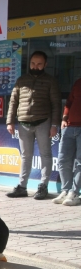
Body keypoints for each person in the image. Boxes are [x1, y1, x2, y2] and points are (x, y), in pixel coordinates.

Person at [6, 51, 61, 200]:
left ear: (45, 65)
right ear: (29, 63)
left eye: (39, 64)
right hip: (23, 123)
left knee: (45, 154)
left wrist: (55, 124)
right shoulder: (21, 80)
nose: (35, 67)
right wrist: (10, 121)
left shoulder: (50, 81)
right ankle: (22, 187)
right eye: (33, 63)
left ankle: (43, 186)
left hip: (43, 121)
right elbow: (13, 101)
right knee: (25, 156)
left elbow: (56, 104)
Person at [53, 76, 81, 206]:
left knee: (79, 162)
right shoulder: (78, 82)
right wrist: (64, 118)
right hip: (69, 126)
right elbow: (69, 102)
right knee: (63, 160)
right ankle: (65, 190)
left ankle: (74, 193)